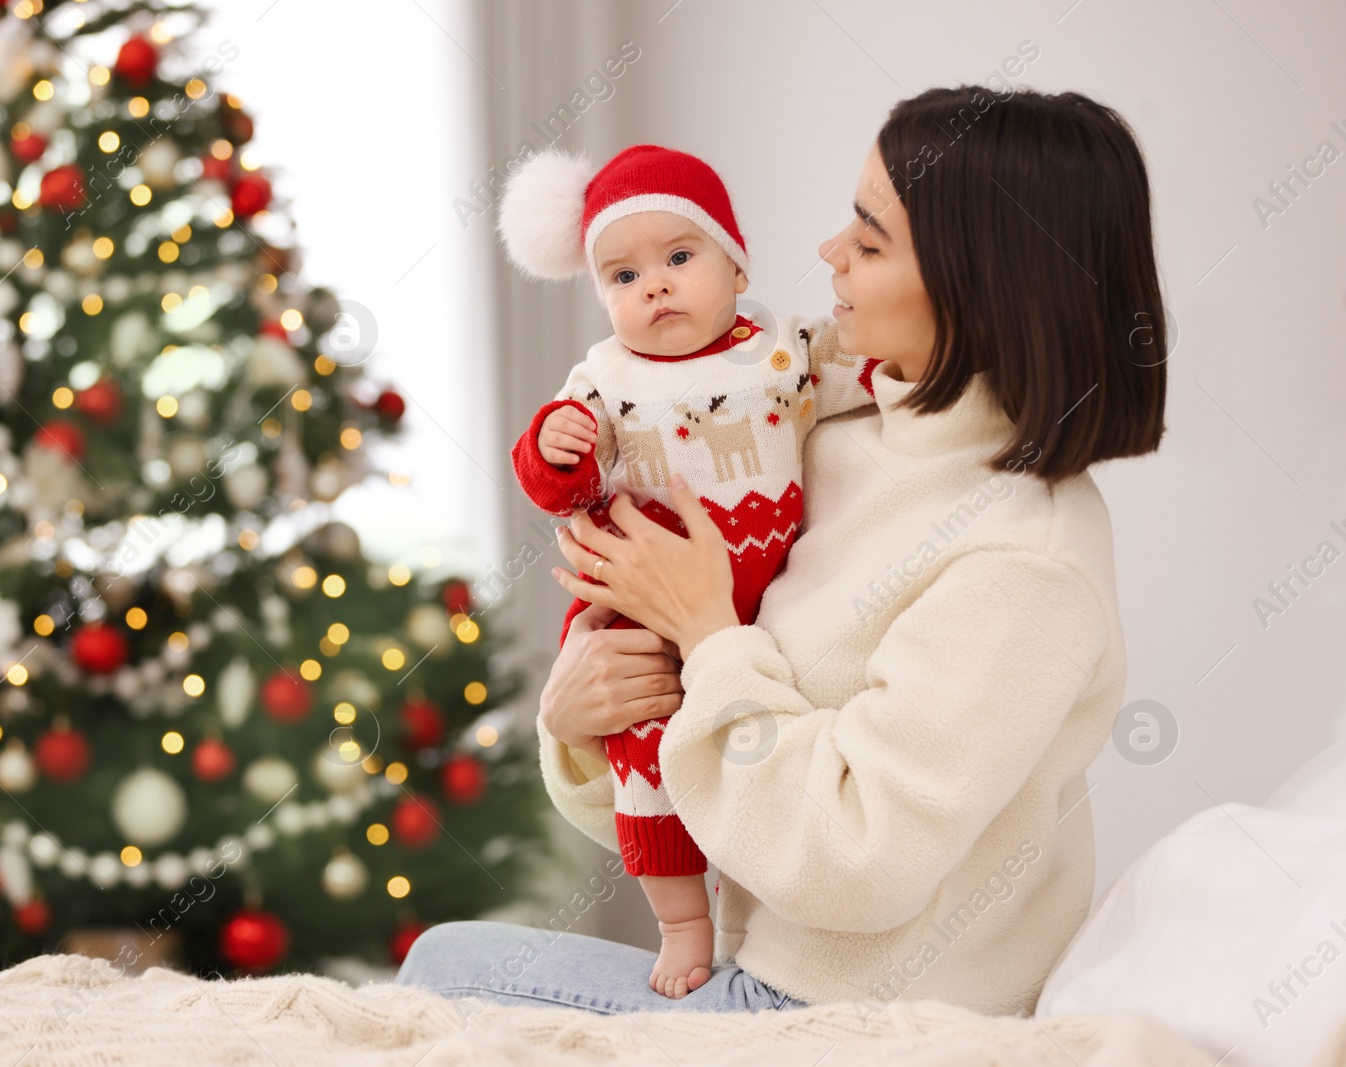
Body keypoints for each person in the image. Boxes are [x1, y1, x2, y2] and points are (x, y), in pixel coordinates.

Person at [396, 84, 1168, 1017]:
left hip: (854, 1021)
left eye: (870, 240)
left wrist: (708, 632)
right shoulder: (833, 443)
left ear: (982, 281)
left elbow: (856, 860)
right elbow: (709, 805)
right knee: (443, 957)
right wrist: (581, 721)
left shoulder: (1025, 557)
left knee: (441, 974)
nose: (828, 254)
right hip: (751, 968)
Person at [499, 142, 882, 999]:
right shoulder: (603, 380)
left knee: (742, 743)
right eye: (623, 275)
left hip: (754, 598)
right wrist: (557, 449)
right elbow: (554, 475)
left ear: (736, 263)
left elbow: (865, 368)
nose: (656, 286)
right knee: (648, 760)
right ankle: (681, 920)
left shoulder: (782, 351)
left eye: (680, 256)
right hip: (642, 608)